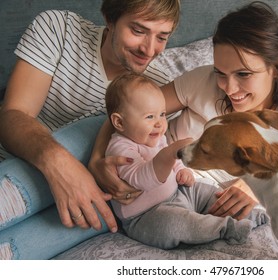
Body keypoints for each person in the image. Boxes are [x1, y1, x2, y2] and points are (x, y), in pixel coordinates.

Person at [90, 1, 278, 221]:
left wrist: (254, 188)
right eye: (220, 72)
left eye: (243, 74)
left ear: (275, 68)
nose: (229, 88)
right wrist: (97, 159)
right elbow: (127, 112)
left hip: (171, 195)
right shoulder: (203, 81)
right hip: (137, 159)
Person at [0, 0, 180, 234]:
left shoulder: (157, 88)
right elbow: (13, 115)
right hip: (13, 165)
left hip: (79, 201)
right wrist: (61, 164)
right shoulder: (59, 30)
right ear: (110, 18)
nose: (148, 49)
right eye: (138, 31)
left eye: (162, 37)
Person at [104, 72, 266, 249]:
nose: (159, 123)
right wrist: (170, 153)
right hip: (148, 215)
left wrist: (182, 170)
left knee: (210, 193)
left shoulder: (155, 137)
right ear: (119, 123)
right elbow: (141, 180)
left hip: (178, 193)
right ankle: (225, 228)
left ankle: (251, 215)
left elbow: (174, 163)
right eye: (150, 116)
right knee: (176, 225)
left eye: (162, 114)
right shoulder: (120, 148)